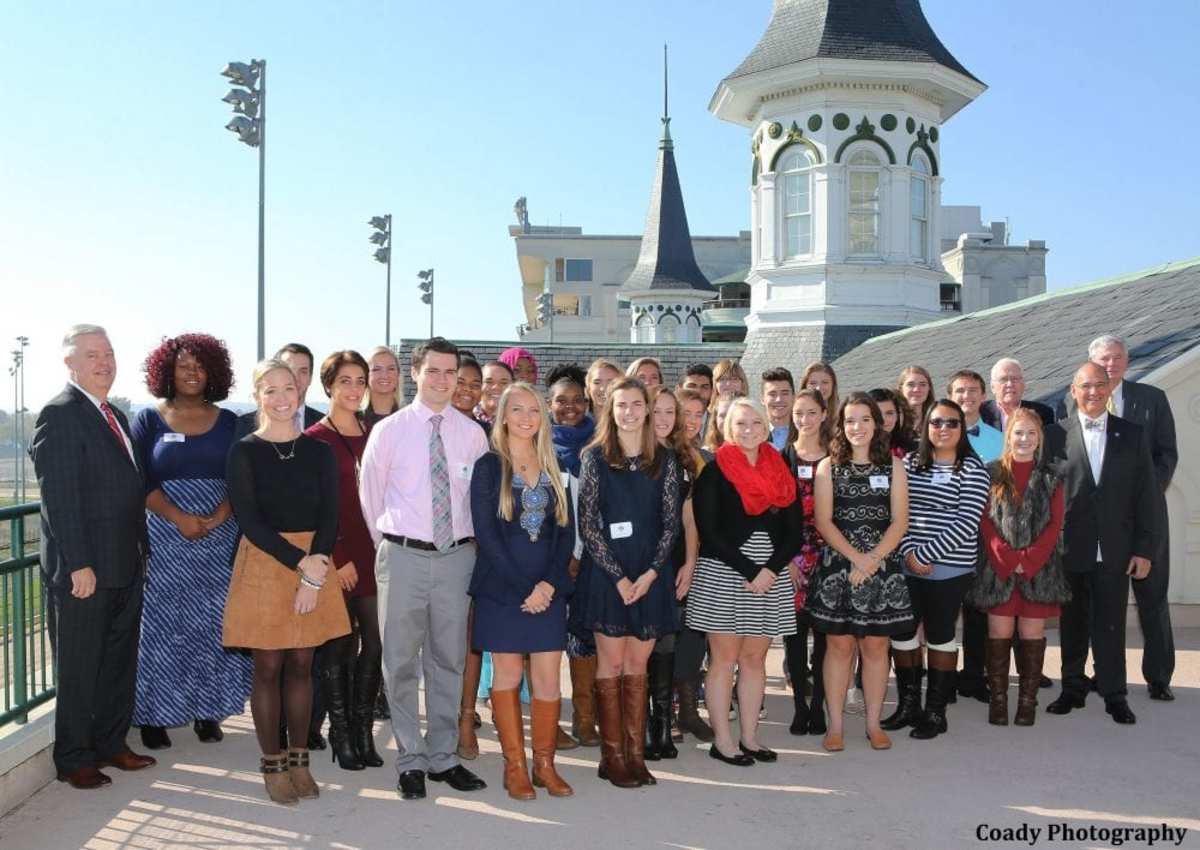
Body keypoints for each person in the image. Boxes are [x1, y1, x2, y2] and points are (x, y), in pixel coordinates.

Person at [359, 337, 490, 801]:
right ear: (415, 373)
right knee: (399, 662)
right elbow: (370, 496)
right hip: (403, 556)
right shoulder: (389, 431)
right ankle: (410, 759)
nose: (442, 380)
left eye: (450, 372)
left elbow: (477, 502)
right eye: (433, 370)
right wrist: (392, 547)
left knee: (448, 659)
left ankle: (443, 756)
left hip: (456, 559)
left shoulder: (472, 435)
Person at [31, 324, 156, 790]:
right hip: (85, 572)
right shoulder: (60, 414)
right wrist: (79, 563)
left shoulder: (115, 415)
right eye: (92, 355)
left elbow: (128, 488)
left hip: (125, 564)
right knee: (80, 666)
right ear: (70, 364)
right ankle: (74, 758)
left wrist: (141, 551)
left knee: (118, 663)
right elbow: (59, 499)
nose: (104, 362)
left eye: (108, 353)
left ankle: (111, 743)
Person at [223, 358, 349, 804]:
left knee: (301, 664)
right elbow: (250, 522)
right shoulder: (243, 451)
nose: (281, 398)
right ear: (257, 396)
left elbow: (330, 514)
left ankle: (299, 760)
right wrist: (301, 563)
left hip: (315, 562)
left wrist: (315, 570)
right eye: (270, 390)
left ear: (300, 392)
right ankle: (272, 764)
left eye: (289, 388)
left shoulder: (320, 451)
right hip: (266, 562)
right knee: (269, 667)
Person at [130, 334, 249, 751]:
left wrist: (223, 512)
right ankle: (154, 716)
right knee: (162, 627)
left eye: (200, 365)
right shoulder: (148, 420)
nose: (192, 372)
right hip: (166, 536)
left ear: (214, 371)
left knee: (212, 625)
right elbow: (139, 479)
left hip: (219, 536)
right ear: (167, 371)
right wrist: (179, 518)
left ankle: (207, 711)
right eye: (184, 365)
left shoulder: (231, 422)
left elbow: (243, 476)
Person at [573, 377, 681, 788]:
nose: (630, 412)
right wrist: (619, 578)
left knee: (638, 665)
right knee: (612, 664)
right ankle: (612, 756)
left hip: (651, 575)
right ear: (610, 409)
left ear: (647, 409)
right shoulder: (594, 457)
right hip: (607, 576)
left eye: (637, 404)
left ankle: (635, 756)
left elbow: (671, 525)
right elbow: (588, 524)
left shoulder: (664, 459)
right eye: (622, 405)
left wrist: (651, 573)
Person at [469, 383, 576, 800]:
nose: (526, 418)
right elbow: (486, 534)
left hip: (548, 589)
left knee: (548, 679)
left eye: (534, 410)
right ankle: (514, 766)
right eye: (517, 409)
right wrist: (523, 589)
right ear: (503, 415)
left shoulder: (554, 463)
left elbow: (565, 533)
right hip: (502, 589)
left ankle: (545, 765)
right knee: (508, 675)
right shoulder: (488, 466)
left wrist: (548, 584)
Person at [688, 398, 802, 766]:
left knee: (754, 660)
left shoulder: (781, 467)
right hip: (726, 572)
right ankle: (723, 741)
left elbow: (794, 531)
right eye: (740, 423)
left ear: (767, 427)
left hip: (770, 575)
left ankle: (750, 737)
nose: (749, 429)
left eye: (756, 422)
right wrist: (751, 571)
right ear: (727, 429)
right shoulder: (714, 472)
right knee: (724, 661)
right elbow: (710, 531)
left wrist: (771, 569)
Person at [1044, 363, 1157, 725]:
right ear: (1073, 391)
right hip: (1069, 548)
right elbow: (1042, 496)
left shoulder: (1133, 434)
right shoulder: (1053, 435)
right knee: (1072, 623)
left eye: (1099, 385)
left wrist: (1144, 549)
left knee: (1111, 624)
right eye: (1085, 386)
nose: (1092, 392)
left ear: (1109, 388)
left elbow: (1147, 496)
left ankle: (1114, 693)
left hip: (1116, 548)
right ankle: (1072, 688)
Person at [806, 393, 913, 753]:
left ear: (877, 424)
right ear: (841, 425)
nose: (858, 427)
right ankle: (835, 726)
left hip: (882, 568)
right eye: (850, 420)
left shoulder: (894, 467)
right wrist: (856, 558)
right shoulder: (828, 467)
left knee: (876, 646)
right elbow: (823, 521)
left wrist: (873, 559)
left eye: (865, 419)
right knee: (839, 646)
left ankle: (873, 724)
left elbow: (900, 520)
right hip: (840, 567)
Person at [888, 399, 990, 741]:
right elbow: (897, 512)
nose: (943, 429)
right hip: (907, 564)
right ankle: (909, 706)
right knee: (903, 634)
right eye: (936, 422)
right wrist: (908, 552)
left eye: (951, 423)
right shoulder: (909, 463)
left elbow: (966, 522)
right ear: (925, 427)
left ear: (962, 429)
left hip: (950, 568)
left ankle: (935, 711)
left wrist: (926, 554)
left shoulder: (973, 469)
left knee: (940, 635)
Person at [304, 351, 385, 772]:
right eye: (345, 381)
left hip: (377, 551)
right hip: (337, 551)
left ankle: (362, 730)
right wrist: (338, 556)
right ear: (329, 386)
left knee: (375, 642)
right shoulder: (314, 438)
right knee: (339, 645)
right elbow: (313, 505)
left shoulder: (376, 433)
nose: (354, 389)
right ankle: (340, 735)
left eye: (360, 381)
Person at [1087, 335, 1177, 702]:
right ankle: (1105, 673)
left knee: (1152, 598)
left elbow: (1167, 454)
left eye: (1117, 358)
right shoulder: (1076, 400)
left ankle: (1159, 677)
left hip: (1145, 516)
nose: (1111, 364)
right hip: (1100, 522)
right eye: (1104, 359)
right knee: (1104, 603)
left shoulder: (1152, 399)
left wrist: (1145, 492)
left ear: (1127, 361)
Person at [966, 408, 1067, 726]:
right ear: (1008, 437)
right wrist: (1009, 559)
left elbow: (1055, 524)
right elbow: (984, 521)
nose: (1025, 439)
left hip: (1040, 571)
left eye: (1031, 433)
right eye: (1018, 433)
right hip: (999, 571)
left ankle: (1027, 703)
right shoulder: (991, 473)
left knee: (1031, 633)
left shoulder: (1052, 477)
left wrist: (1029, 560)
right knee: (999, 632)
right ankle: (998, 702)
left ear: (1040, 439)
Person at [548, 365, 600, 747]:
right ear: (549, 405)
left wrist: (584, 552)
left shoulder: (599, 444)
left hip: (591, 558)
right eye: (561, 401)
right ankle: (549, 721)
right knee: (546, 642)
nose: (570, 407)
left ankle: (585, 719)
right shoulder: (538, 445)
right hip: (548, 559)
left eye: (577, 400)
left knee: (585, 639)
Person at [947, 370, 1005, 703]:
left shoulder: (999, 440)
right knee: (943, 611)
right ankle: (942, 677)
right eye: (959, 391)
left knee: (978, 611)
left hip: (985, 535)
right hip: (944, 536)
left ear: (984, 396)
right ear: (950, 396)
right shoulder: (937, 436)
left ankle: (973, 676)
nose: (966, 396)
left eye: (972, 390)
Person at [780, 389, 829, 736]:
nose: (805, 419)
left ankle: (818, 706)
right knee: (794, 638)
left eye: (811, 412)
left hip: (828, 556)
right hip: (792, 557)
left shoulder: (835, 456)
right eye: (799, 413)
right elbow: (774, 515)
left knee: (825, 639)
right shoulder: (782, 457)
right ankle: (800, 705)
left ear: (824, 414)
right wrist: (786, 560)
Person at [669, 389, 715, 743]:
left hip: (701, 556)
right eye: (685, 412)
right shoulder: (661, 454)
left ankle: (687, 711)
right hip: (667, 556)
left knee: (694, 636)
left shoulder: (707, 459)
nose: (692, 420)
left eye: (699, 414)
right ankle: (663, 712)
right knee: (665, 637)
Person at [453, 354, 489, 758]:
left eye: (474, 383)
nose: (466, 390)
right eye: (459, 381)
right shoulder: (426, 430)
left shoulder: (486, 435)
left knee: (469, 641)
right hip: (433, 550)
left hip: (478, 550)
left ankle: (465, 719)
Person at [236, 343, 323, 439]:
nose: (296, 378)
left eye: (303, 372)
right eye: (289, 370)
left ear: (310, 378)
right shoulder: (244, 425)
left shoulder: (324, 424)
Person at [981, 358, 1054, 430]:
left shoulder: (1043, 413)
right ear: (993, 387)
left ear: (1023, 384)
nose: (1010, 384)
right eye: (1003, 379)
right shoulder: (978, 413)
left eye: (1015, 379)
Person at [869, 388, 917, 457]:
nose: (883, 419)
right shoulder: (855, 450)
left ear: (897, 416)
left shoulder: (914, 450)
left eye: (889, 413)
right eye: (877, 413)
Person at [363, 346, 404, 428]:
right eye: (376, 369)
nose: (384, 375)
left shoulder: (410, 418)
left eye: (391, 369)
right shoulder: (352, 419)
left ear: (398, 374)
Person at [761, 367, 797, 450]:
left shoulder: (805, 432)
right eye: (772, 394)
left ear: (793, 397)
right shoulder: (753, 434)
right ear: (762, 399)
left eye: (784, 393)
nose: (779, 399)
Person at [476, 360, 514, 431]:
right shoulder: (465, 418)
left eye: (503, 383)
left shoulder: (520, 422)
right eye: (489, 382)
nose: (496, 387)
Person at [451, 356, 484, 421]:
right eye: (460, 382)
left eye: (475, 385)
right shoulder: (433, 424)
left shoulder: (488, 428)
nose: (468, 388)